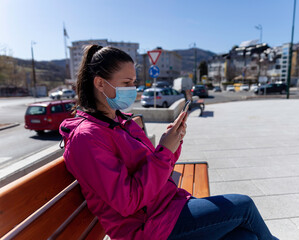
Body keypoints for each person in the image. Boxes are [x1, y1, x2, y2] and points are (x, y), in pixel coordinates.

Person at [60, 45, 278, 240]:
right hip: (148, 229)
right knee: (244, 206)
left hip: (167, 209)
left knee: (246, 237)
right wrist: (165, 151)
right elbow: (127, 201)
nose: (133, 89)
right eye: (126, 83)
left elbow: (152, 166)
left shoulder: (120, 121)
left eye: (134, 82)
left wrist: (173, 143)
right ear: (100, 83)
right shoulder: (86, 138)